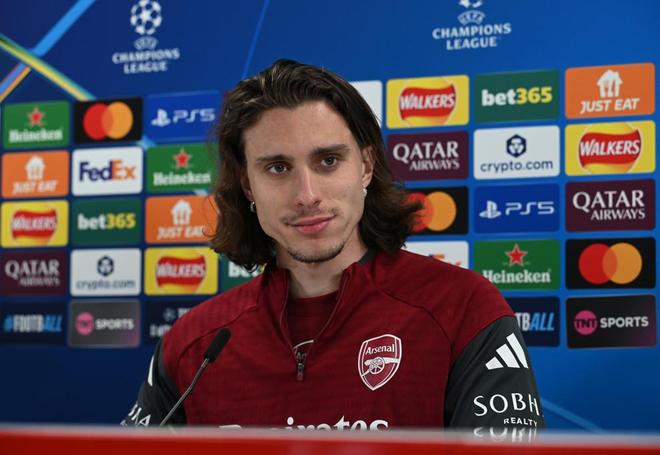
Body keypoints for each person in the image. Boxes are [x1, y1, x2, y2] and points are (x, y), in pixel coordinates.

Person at [123, 59, 544, 435]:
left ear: (366, 165)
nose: (306, 195)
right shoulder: (192, 343)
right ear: (248, 185)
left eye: (328, 161)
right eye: (278, 168)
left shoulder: (463, 310)